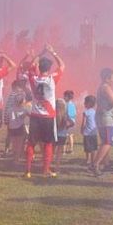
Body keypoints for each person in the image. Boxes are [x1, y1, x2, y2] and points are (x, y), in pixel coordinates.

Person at [25, 44, 65, 179]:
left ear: (39, 67)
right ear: (49, 68)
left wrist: (41, 52)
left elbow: (31, 65)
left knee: (31, 143)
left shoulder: (34, 79)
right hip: (48, 116)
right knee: (48, 143)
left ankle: (28, 171)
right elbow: (62, 66)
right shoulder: (52, 79)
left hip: (35, 115)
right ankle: (45, 170)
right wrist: (53, 52)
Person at [91, 68, 113, 177]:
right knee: (108, 141)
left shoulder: (104, 87)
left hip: (104, 117)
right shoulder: (105, 87)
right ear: (107, 78)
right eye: (112, 78)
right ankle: (95, 165)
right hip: (105, 118)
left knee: (105, 141)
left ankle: (106, 164)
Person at [3, 79, 30, 165]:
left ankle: (14, 154)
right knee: (20, 141)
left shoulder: (12, 98)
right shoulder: (19, 97)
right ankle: (17, 156)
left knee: (14, 142)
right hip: (19, 126)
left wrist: (6, 121)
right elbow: (29, 114)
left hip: (11, 124)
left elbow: (7, 110)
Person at [52, 98, 74, 174]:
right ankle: (57, 167)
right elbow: (72, 123)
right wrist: (67, 126)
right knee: (59, 152)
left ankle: (47, 165)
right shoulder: (65, 115)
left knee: (52, 151)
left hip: (54, 134)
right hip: (62, 135)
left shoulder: (53, 114)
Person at [81, 95, 98, 167]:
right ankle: (93, 160)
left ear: (89, 103)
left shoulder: (86, 112)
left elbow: (84, 122)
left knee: (87, 148)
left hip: (87, 133)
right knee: (93, 148)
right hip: (94, 133)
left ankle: (88, 160)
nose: (84, 103)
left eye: (85, 102)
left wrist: (82, 129)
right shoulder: (95, 112)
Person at [64, 90, 77, 154]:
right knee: (70, 136)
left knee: (66, 136)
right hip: (72, 122)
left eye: (65, 96)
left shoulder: (67, 104)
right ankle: (71, 149)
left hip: (68, 122)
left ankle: (65, 150)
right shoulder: (72, 104)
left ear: (67, 97)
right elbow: (74, 114)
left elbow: (69, 114)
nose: (64, 97)